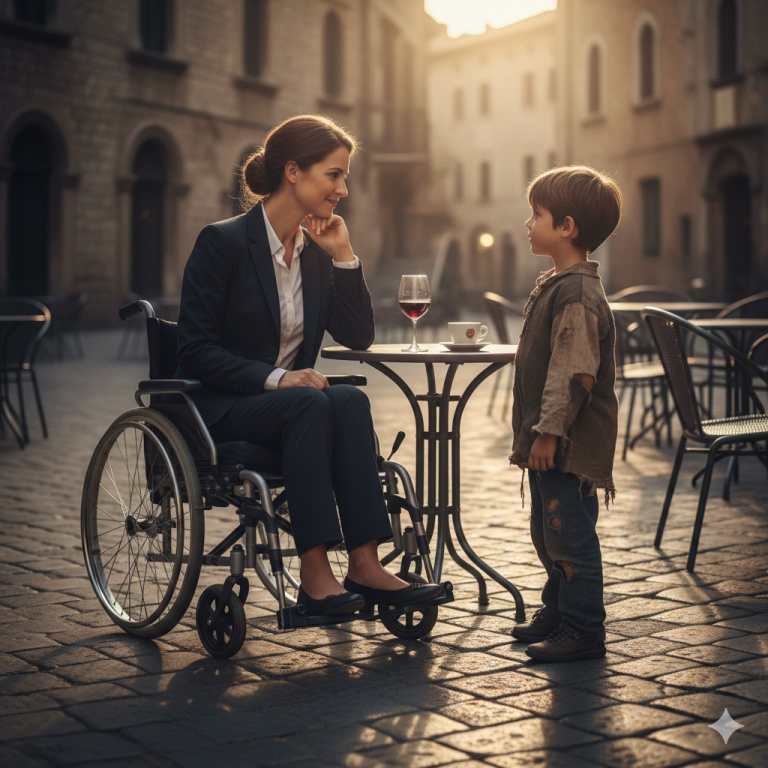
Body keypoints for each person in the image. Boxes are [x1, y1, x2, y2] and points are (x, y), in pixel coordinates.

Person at [175, 114, 441, 616]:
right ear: (293, 172)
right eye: (333, 174)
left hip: (290, 408)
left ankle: (364, 563)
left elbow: (359, 336)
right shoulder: (224, 242)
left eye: (344, 176)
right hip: (223, 407)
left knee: (349, 399)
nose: (343, 188)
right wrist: (277, 378)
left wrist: (343, 255)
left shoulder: (316, 253)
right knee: (308, 401)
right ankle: (314, 574)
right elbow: (194, 349)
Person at [508, 165, 622, 662]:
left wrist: (548, 432)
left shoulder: (575, 295)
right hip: (553, 442)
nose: (527, 222)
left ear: (567, 228)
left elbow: (572, 374)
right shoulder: (559, 282)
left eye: (537, 214)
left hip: (567, 446)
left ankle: (583, 630)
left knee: (569, 537)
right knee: (548, 530)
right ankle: (557, 610)